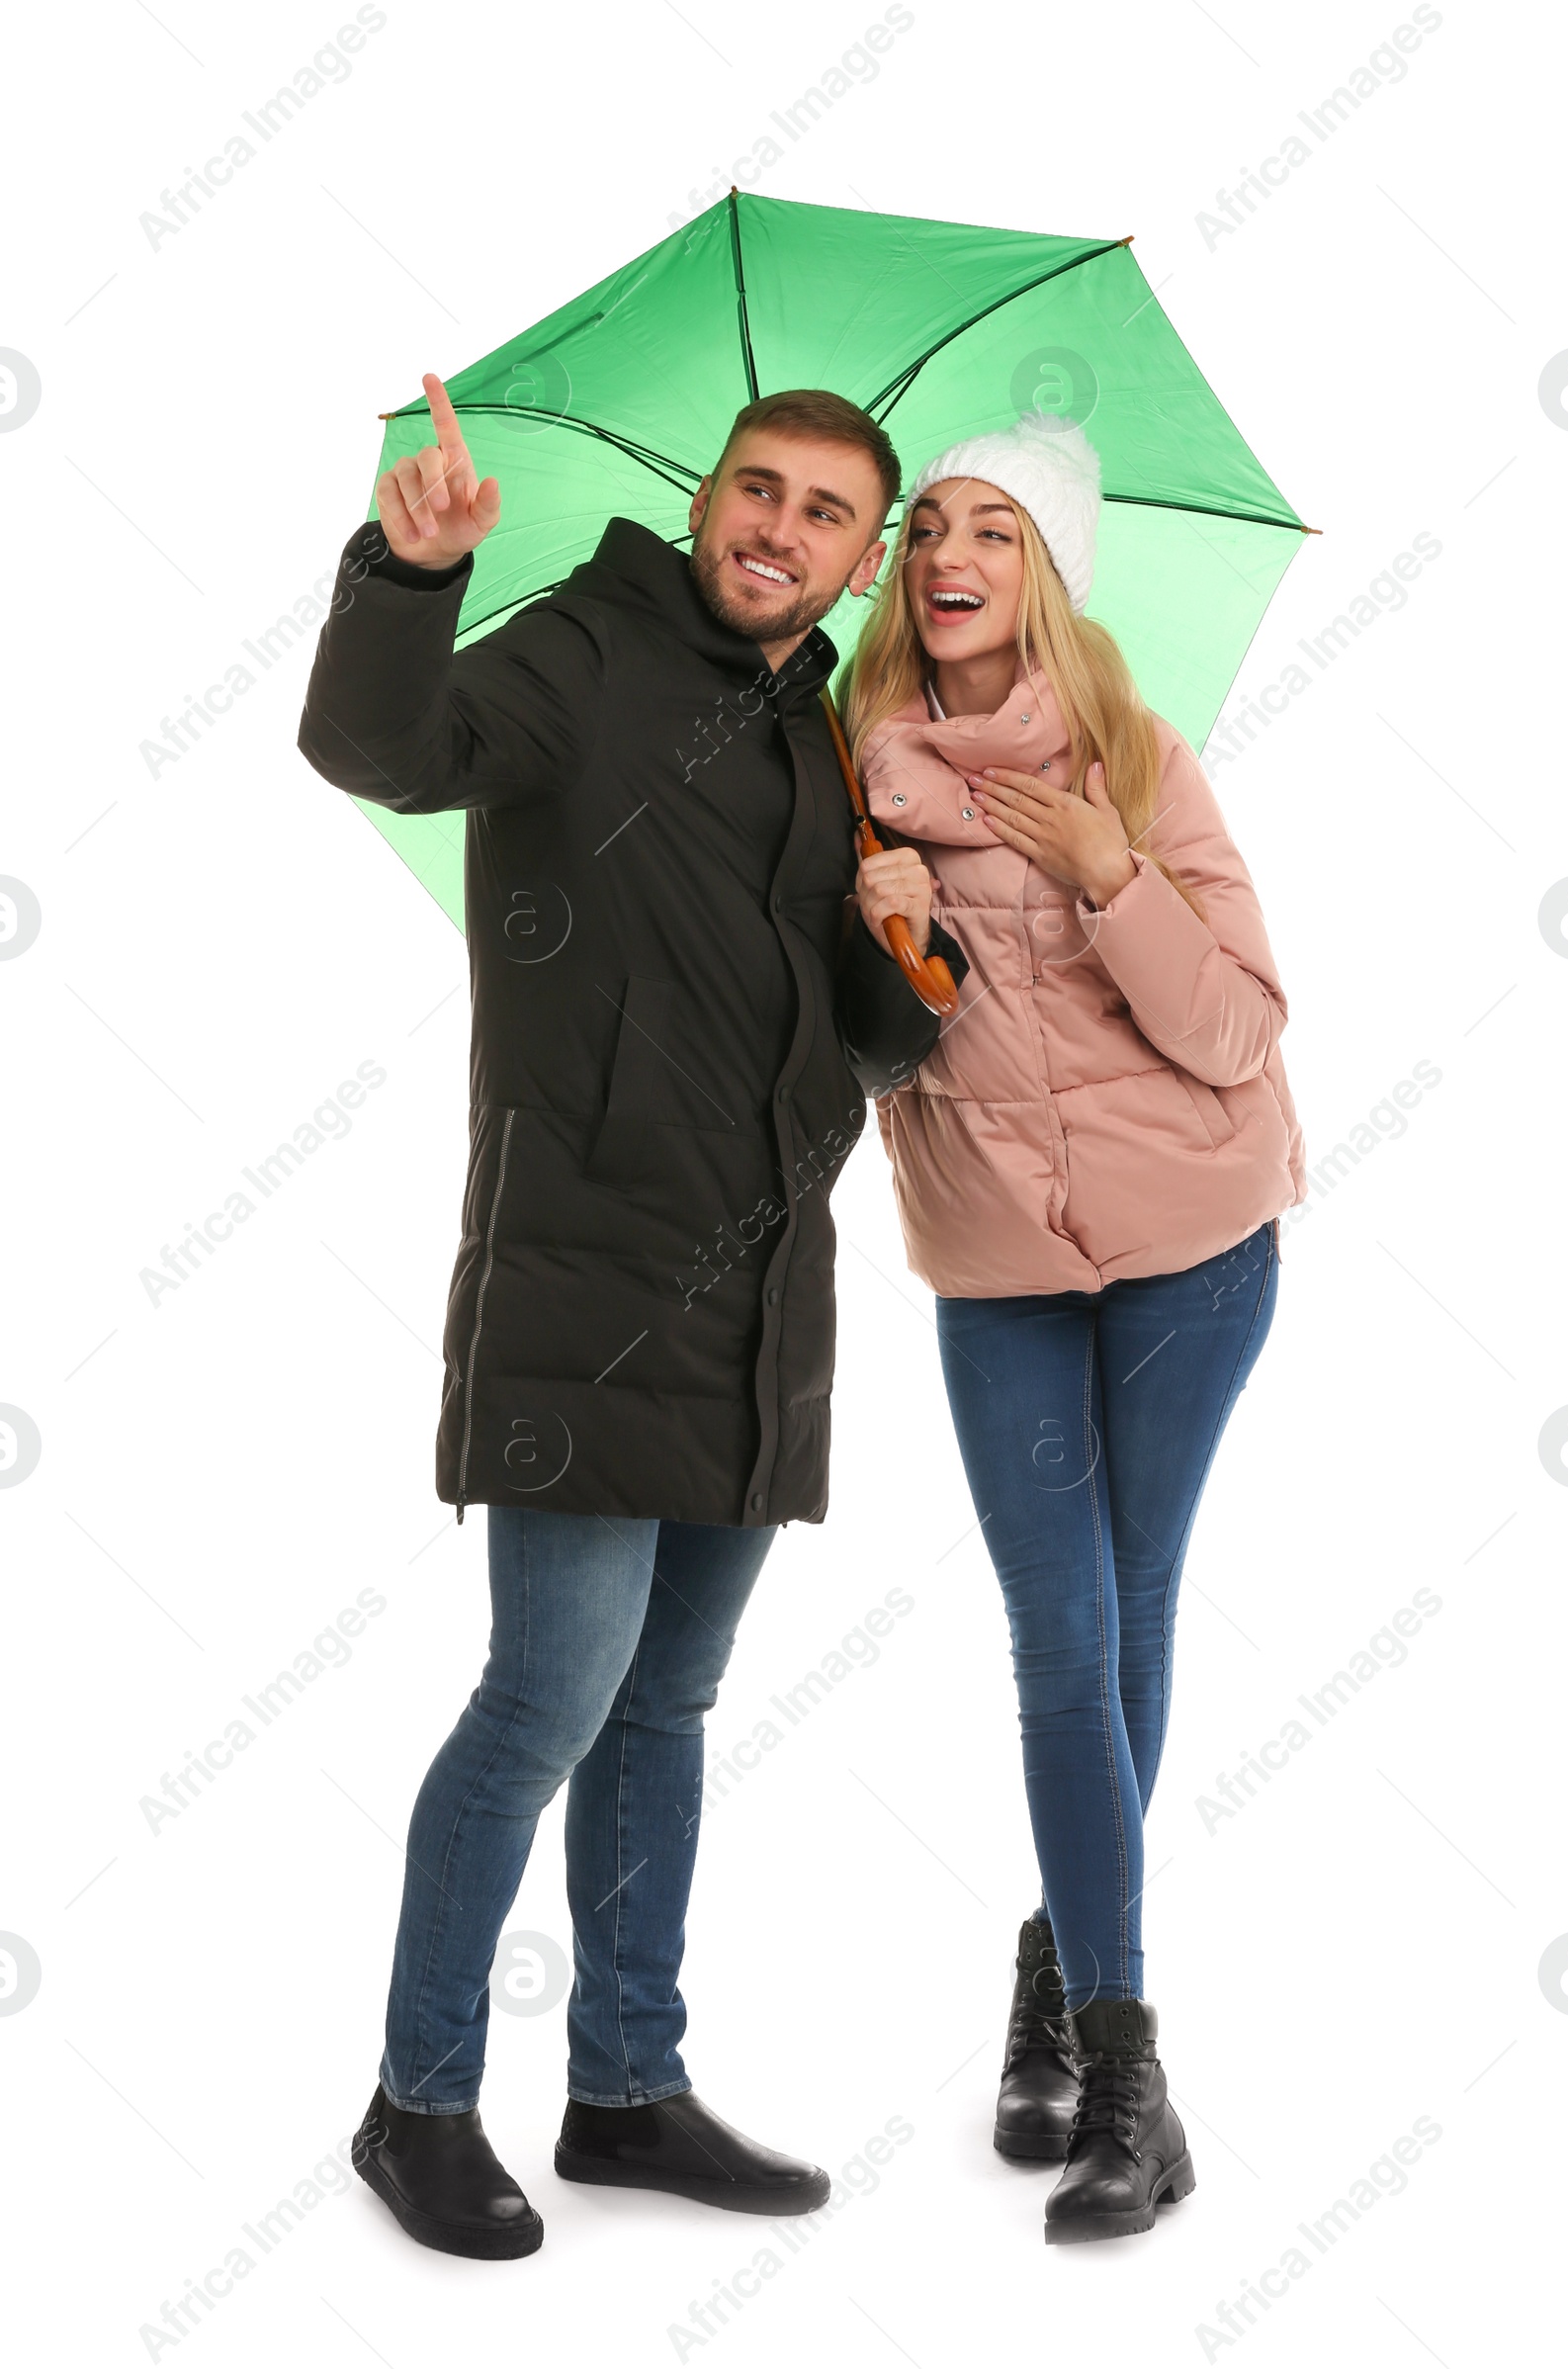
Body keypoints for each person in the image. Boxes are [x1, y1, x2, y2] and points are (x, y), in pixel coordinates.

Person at [297, 376, 967, 2259]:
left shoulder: (817, 732)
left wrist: (912, 948)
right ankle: (417, 2102)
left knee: (665, 1711)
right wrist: (405, 573)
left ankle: (623, 2089)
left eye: (829, 514)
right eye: (758, 488)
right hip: (585, 1289)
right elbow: (384, 746)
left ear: (860, 553)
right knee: (543, 1705)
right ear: (707, 499)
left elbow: (854, 1039)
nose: (783, 528)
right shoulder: (582, 650)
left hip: (760, 1306)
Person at [839, 410, 1303, 2244]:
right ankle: (1128, 2062)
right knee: (1063, 1640)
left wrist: (1111, 869)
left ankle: (1072, 2009)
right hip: (999, 1271)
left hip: (1197, 1251)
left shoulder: (1140, 757)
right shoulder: (849, 778)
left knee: (1126, 1615)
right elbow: (873, 1060)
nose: (949, 554)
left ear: (1052, 571)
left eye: (995, 531)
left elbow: (1240, 1034)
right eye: (928, 527)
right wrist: (900, 952)